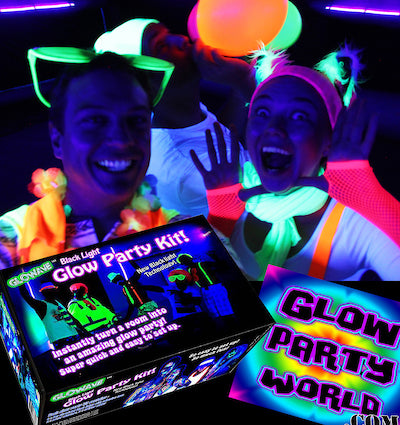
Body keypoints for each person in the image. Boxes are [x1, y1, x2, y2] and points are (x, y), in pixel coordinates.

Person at [191, 48, 400, 281]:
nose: (273, 128)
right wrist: (219, 223)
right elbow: (182, 293)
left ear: (328, 140)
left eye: (299, 116)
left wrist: (372, 199)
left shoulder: (358, 224)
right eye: (262, 112)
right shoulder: (222, 192)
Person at [0, 51, 181, 269]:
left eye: (136, 120)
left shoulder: (184, 233)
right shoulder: (11, 237)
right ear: (57, 139)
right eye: (95, 120)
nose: (121, 140)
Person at [94, 18, 251, 217]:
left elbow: (225, 133)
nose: (181, 39)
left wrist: (238, 85)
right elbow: (279, 185)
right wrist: (246, 79)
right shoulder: (185, 171)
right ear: (148, 85)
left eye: (168, 34)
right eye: (161, 46)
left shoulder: (179, 111)